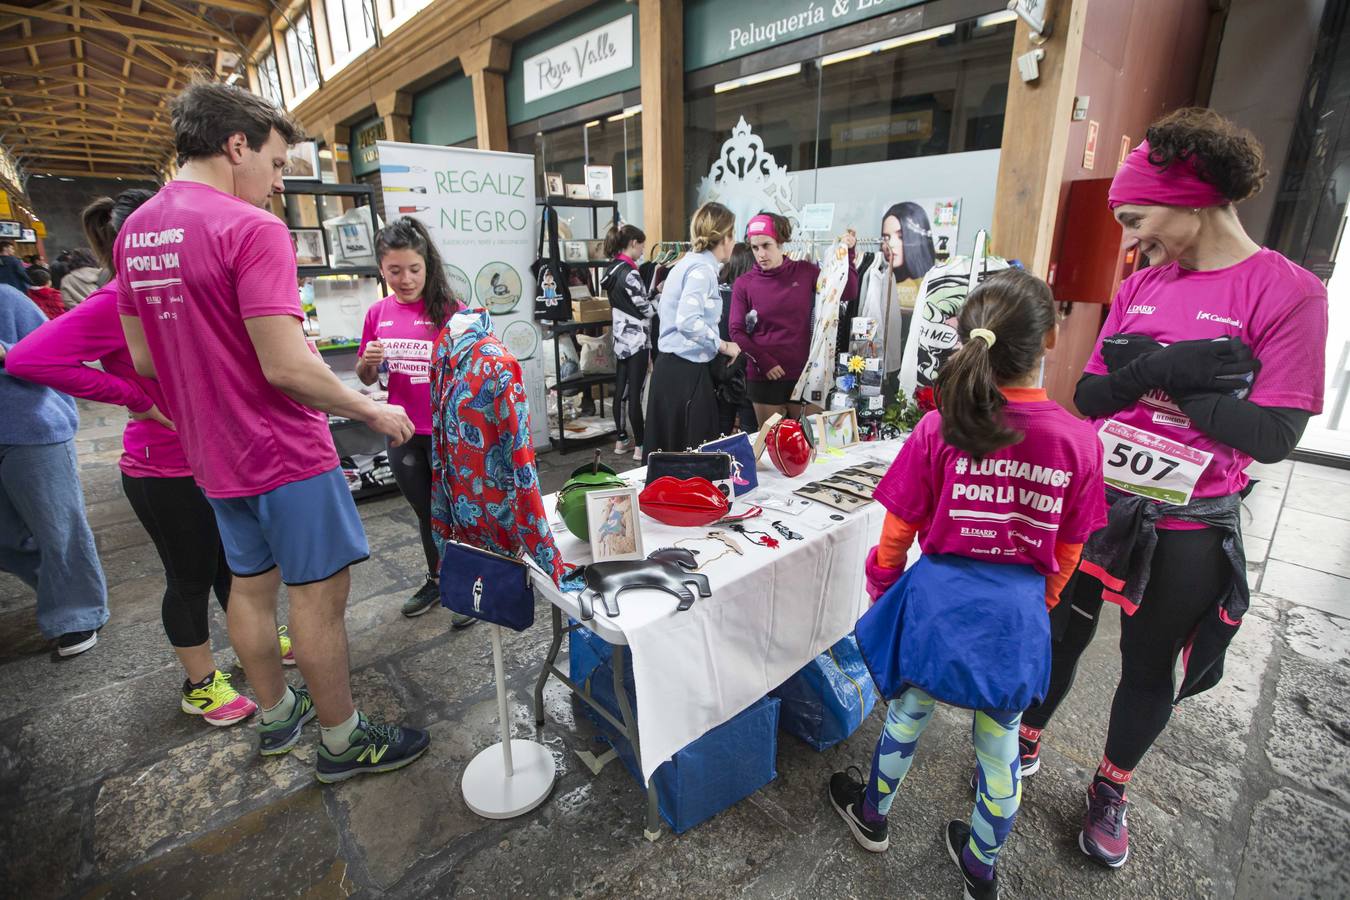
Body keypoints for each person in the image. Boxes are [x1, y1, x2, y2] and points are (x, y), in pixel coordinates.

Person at [1018, 108, 1328, 869]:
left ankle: (1112, 786)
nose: (1129, 239)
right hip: (1101, 503)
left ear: (1192, 196)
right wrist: (1173, 370)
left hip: (1190, 521)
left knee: (1148, 663)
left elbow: (1273, 437)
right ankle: (1023, 742)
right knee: (1060, 631)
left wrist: (1162, 381)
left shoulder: (1290, 294)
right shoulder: (1145, 285)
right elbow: (1092, 397)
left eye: (1137, 217)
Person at [117, 81, 429, 782]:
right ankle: (344, 740)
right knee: (318, 598)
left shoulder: (136, 232)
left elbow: (143, 358)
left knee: (249, 590)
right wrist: (369, 409)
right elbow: (287, 367)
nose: (280, 181)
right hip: (284, 451)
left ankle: (278, 714)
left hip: (212, 453)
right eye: (279, 163)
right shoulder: (249, 228)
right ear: (237, 146)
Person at [829, 270, 1106, 900]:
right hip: (1015, 617)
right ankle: (981, 865)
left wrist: (882, 588)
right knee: (999, 741)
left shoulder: (938, 428)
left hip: (937, 605)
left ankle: (872, 816)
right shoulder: (1078, 442)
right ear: (1051, 340)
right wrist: (1045, 602)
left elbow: (897, 528)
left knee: (908, 710)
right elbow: (1070, 547)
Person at [8, 189, 296, 725]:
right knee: (188, 577)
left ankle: (259, 640)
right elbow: (30, 357)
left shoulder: (179, 290)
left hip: (217, 459)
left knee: (236, 566)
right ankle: (201, 684)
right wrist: (135, 398)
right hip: (163, 469)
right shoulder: (117, 300)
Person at [356, 217, 470, 623]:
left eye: (414, 269)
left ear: (428, 266)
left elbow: (473, 373)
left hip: (447, 434)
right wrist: (368, 365)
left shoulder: (453, 312)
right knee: (427, 514)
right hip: (402, 434)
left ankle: (468, 587)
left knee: (456, 512)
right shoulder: (377, 313)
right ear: (382, 270)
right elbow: (367, 378)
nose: (405, 279)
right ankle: (439, 581)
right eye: (395, 271)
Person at [0, 284, 109, 656]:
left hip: (31, 429)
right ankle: (60, 588)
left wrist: (6, 352)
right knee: (7, 538)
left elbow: (53, 355)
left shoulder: (7, 299)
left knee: (58, 527)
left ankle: (76, 614)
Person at [429, 308, 567, 585]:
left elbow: (520, 456)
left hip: (497, 512)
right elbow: (440, 441)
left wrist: (544, 549)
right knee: (474, 588)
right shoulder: (442, 355)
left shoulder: (499, 364)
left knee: (502, 593)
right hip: (459, 503)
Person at [729, 211, 858, 425]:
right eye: (755, 247)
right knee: (772, 446)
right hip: (765, 377)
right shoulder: (745, 283)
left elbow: (848, 293)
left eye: (766, 245)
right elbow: (736, 330)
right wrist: (764, 362)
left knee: (813, 444)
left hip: (805, 375)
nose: (761, 254)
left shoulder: (805, 272)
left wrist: (849, 254)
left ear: (780, 242)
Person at [643, 202, 741, 460]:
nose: (735, 242)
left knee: (667, 455)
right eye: (733, 234)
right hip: (686, 373)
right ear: (724, 237)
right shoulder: (702, 270)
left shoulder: (685, 265)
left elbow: (669, 312)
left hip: (672, 371)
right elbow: (687, 321)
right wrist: (723, 345)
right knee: (692, 459)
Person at [600, 222, 654, 460]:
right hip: (637, 339)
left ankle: (621, 441)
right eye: (641, 246)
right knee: (635, 394)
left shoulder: (610, 269)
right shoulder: (631, 273)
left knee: (620, 390)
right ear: (633, 243)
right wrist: (660, 299)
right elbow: (646, 309)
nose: (643, 251)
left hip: (620, 337)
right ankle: (641, 445)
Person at [717, 242, 757, 434]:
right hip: (747, 371)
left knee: (721, 430)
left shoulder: (718, 294)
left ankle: (719, 462)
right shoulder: (751, 297)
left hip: (721, 368)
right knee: (749, 430)